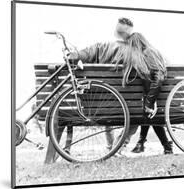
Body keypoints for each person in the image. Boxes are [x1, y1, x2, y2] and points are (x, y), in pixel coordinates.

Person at [68, 17, 173, 155]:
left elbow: (85, 53)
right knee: (135, 111)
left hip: (99, 104)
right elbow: (156, 74)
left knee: (107, 101)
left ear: (116, 32)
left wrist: (74, 55)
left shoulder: (103, 47)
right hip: (130, 107)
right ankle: (119, 147)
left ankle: (111, 146)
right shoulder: (140, 55)